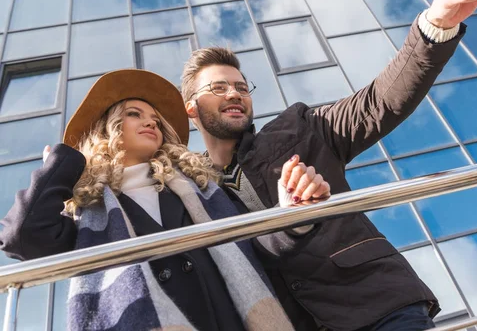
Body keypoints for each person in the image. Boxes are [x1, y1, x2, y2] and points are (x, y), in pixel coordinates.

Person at [180, 0, 477, 330]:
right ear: (190, 108)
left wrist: (438, 22)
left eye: (242, 87)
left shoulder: (299, 128)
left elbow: (379, 101)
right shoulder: (188, 190)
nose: (234, 93)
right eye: (218, 87)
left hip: (378, 308)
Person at [0, 69, 331, 331]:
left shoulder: (204, 190)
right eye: (134, 114)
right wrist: (62, 165)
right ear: (106, 129)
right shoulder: (89, 216)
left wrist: (291, 213)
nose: (150, 121)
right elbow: (23, 236)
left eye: (156, 119)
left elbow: (255, 246)